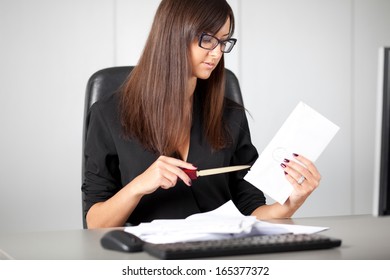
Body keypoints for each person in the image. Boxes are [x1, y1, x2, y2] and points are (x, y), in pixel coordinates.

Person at [82, 0, 321, 229]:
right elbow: (95, 223)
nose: (217, 54)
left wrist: (291, 203)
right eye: (207, 39)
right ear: (173, 36)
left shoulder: (230, 116)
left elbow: (251, 210)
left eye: (223, 42)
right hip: (151, 259)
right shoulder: (108, 114)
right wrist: (138, 186)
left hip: (219, 252)